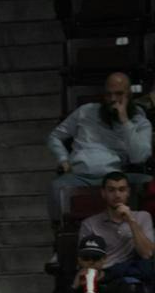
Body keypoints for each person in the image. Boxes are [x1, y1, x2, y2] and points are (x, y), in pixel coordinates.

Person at [48, 71, 151, 220]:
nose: (113, 99)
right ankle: (61, 231)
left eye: (119, 94)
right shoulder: (86, 111)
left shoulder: (139, 121)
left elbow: (139, 158)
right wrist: (63, 159)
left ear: (129, 94)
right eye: (109, 94)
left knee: (149, 183)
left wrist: (124, 121)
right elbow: (55, 136)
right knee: (56, 186)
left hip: (116, 175)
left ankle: (140, 230)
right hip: (80, 174)